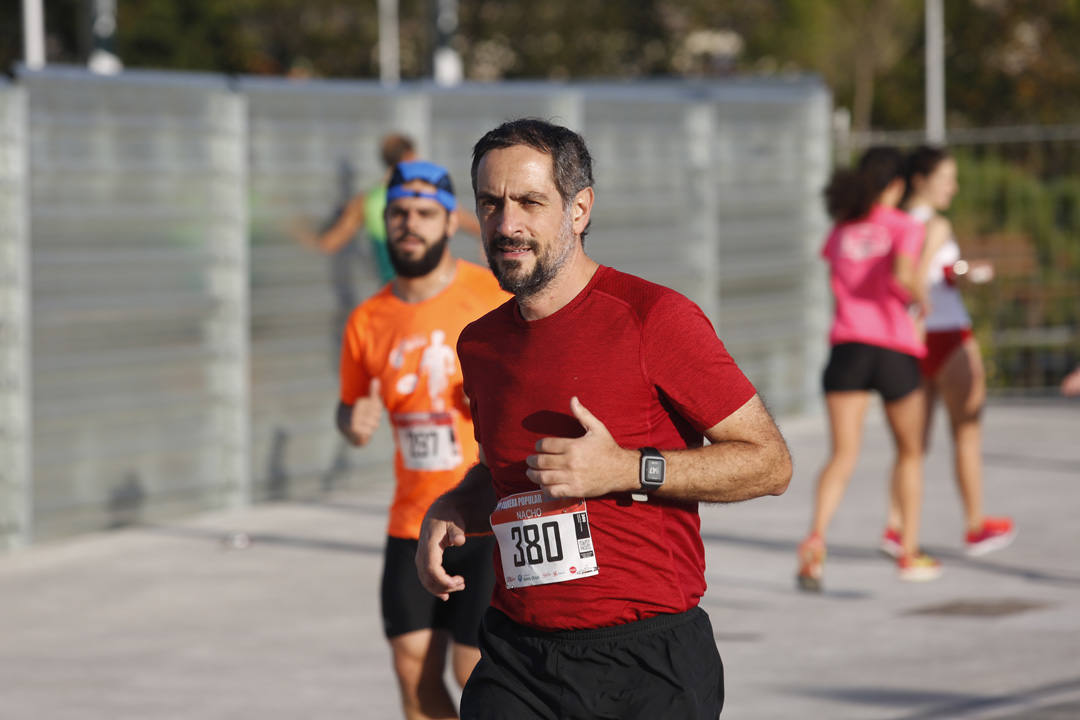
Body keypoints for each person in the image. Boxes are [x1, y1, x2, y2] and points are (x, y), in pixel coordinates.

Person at [415, 119, 793, 720]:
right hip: (517, 656)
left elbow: (770, 464)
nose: (506, 225)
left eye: (530, 202)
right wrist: (456, 505)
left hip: (646, 661)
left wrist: (625, 468)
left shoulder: (654, 318)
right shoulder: (480, 344)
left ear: (579, 209)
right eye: (491, 204)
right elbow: (508, 473)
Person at [337, 160, 509, 720]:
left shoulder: (491, 296)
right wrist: (352, 419)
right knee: (413, 676)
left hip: (486, 515)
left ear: (449, 222)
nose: (409, 224)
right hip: (411, 520)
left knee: (475, 675)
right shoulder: (368, 318)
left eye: (425, 214)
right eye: (398, 213)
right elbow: (350, 406)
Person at [796, 146, 941, 592]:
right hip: (893, 347)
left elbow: (836, 285)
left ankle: (816, 541)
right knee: (911, 451)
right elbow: (902, 271)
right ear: (897, 185)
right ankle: (909, 549)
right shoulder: (904, 226)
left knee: (842, 454)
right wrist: (923, 298)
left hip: (848, 349)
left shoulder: (842, 228)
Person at [878, 145, 1015, 558]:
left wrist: (954, 273)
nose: (953, 188)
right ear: (921, 180)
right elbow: (920, 276)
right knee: (967, 430)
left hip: (910, 337)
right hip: (947, 333)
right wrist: (958, 277)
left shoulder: (893, 221)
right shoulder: (934, 224)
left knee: (912, 444)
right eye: (947, 179)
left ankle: (897, 526)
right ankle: (975, 525)